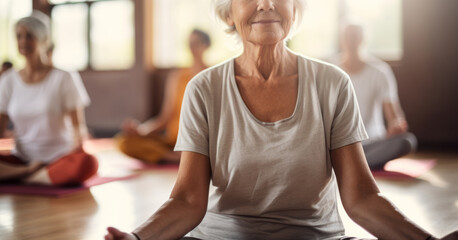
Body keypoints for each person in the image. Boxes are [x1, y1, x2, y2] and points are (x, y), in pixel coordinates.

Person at [105, 0, 457, 239]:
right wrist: (137, 237)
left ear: (295, 9)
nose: (266, 4)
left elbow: (361, 198)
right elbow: (187, 201)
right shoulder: (204, 88)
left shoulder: (332, 83)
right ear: (228, 14)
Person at [0, 11, 98, 186]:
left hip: (59, 158)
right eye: (19, 36)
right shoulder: (8, 80)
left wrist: (77, 154)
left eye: (30, 36)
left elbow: (77, 127)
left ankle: (25, 176)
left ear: (44, 39)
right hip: (22, 160)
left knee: (89, 163)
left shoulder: (64, 78)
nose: (23, 41)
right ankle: (30, 174)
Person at [328, 23, 417, 170]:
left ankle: (350, 166)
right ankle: (357, 165)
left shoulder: (380, 71)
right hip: (340, 145)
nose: (351, 41)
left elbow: (394, 115)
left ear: (363, 39)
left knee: (407, 142)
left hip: (372, 143)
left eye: (355, 36)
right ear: (342, 39)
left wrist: (396, 125)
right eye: (348, 36)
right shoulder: (330, 70)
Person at [116, 29, 211, 164]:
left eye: (196, 43)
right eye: (189, 44)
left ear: (206, 46)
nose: (192, 48)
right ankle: (174, 158)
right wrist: (141, 130)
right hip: (173, 142)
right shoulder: (178, 77)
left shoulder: (212, 76)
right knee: (123, 141)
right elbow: (165, 117)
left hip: (199, 143)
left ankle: (188, 156)